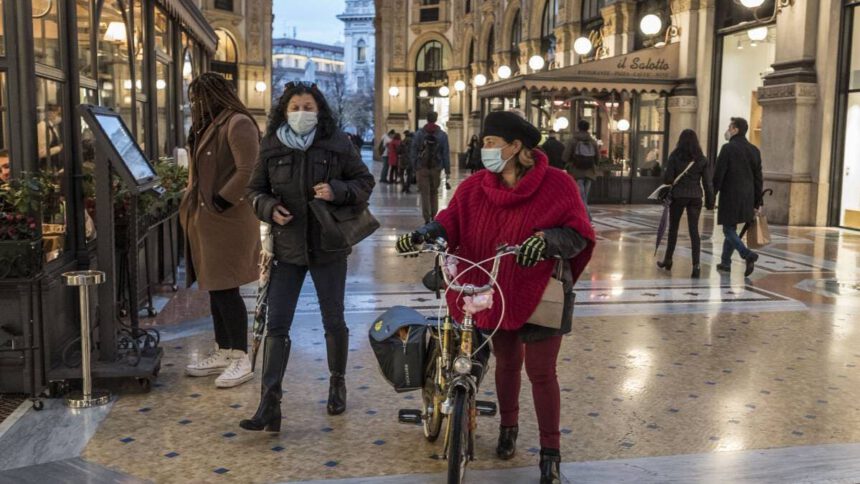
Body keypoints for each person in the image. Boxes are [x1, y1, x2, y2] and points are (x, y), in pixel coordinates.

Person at [396, 111, 595, 484]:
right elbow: (451, 221)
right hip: (494, 290)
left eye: (490, 142)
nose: (484, 149)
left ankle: (550, 453)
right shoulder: (474, 187)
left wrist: (546, 240)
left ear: (515, 146)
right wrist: (425, 233)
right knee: (506, 363)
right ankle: (508, 428)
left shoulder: (558, 184)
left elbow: (579, 234)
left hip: (540, 291)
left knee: (541, 373)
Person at [243, 81, 375, 431]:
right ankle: (269, 403)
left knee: (333, 318)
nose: (302, 113)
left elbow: (365, 182)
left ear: (320, 111)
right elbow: (254, 190)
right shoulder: (271, 145)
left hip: (328, 246)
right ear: (284, 112)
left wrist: (338, 190)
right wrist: (269, 207)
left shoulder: (337, 143)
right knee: (277, 324)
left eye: (308, 107)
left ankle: (337, 382)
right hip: (286, 249)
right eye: (295, 107)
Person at [179, 73, 261, 388]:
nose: (194, 104)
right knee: (215, 286)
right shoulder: (210, 125)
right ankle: (224, 349)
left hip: (228, 218)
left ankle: (241, 356)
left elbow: (248, 168)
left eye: (197, 97)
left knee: (226, 288)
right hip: (208, 218)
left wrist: (222, 200)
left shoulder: (237, 123)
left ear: (213, 95)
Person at [657, 129, 715, 278]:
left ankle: (668, 260)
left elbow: (669, 179)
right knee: (694, 231)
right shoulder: (701, 159)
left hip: (678, 196)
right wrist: (710, 202)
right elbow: (708, 183)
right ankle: (696, 266)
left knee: (674, 229)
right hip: (695, 196)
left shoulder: (675, 156)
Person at [713, 117, 763, 277]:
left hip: (730, 195)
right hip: (748, 196)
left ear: (736, 130)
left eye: (729, 127)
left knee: (728, 229)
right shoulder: (754, 150)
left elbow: (719, 174)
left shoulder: (728, 148)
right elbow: (758, 178)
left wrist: (711, 194)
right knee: (732, 229)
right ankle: (725, 262)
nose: (727, 130)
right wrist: (758, 201)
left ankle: (747, 254)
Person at [410, 112, 450, 223]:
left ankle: (426, 219)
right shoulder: (442, 135)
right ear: (436, 119)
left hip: (422, 168)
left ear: (427, 119)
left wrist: (415, 166)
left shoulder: (419, 134)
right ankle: (434, 217)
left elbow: (413, 151)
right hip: (436, 168)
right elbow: (445, 153)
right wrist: (447, 170)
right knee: (434, 192)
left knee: (425, 194)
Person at [562, 120, 599, 221]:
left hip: (576, 171)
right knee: (584, 197)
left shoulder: (573, 140)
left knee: (580, 197)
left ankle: (587, 217)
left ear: (578, 128)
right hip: (590, 172)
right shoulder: (593, 141)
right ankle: (586, 216)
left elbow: (565, 157)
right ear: (588, 128)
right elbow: (597, 158)